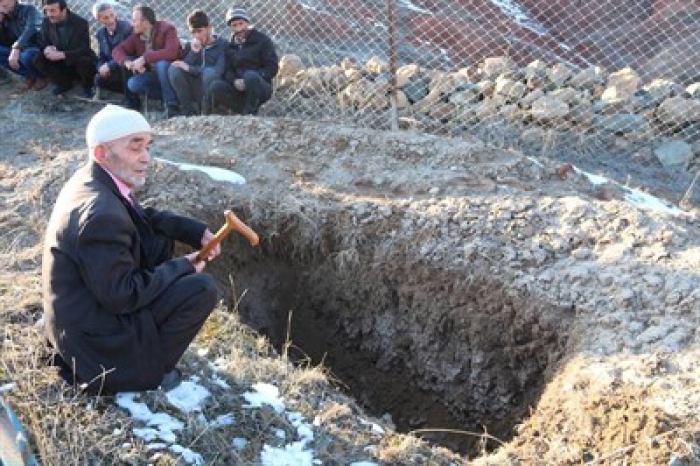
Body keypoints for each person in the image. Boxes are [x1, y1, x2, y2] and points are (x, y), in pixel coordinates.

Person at [42, 104, 220, 394]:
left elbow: (139, 216)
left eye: (148, 147)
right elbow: (123, 296)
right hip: (94, 353)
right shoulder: (100, 215)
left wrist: (193, 230)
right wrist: (182, 267)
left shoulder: (92, 180)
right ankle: (147, 370)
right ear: (101, 153)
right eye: (134, 148)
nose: (146, 158)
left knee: (159, 237)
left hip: (83, 319)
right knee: (200, 289)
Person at [207, 7, 278, 115]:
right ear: (230, 27)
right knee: (215, 87)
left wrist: (252, 78)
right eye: (234, 25)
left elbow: (272, 67)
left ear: (247, 23)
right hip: (238, 88)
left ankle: (250, 114)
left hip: (259, 85)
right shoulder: (230, 46)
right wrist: (234, 81)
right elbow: (227, 70)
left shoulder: (262, 41)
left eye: (241, 24)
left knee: (250, 76)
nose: (239, 28)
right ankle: (209, 117)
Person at [112, 4, 180, 116]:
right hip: (153, 75)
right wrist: (127, 62)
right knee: (133, 84)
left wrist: (144, 58)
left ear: (145, 22)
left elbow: (172, 52)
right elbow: (117, 50)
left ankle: (172, 106)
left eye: (134, 20)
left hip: (172, 74)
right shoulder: (136, 35)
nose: (132, 23)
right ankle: (170, 97)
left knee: (162, 64)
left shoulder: (167, 29)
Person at [168, 9, 226, 116]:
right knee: (174, 69)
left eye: (199, 31)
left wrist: (191, 69)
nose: (197, 36)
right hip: (196, 86)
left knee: (209, 72)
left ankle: (206, 113)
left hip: (214, 88)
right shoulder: (192, 45)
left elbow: (218, 72)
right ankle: (188, 112)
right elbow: (183, 67)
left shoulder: (223, 45)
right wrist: (194, 53)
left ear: (209, 28)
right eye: (193, 32)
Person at [33, 0, 97, 97]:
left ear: (64, 10)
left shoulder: (80, 23)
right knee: (38, 59)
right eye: (47, 10)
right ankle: (64, 83)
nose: (49, 14)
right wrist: (47, 48)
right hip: (59, 61)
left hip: (75, 59)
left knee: (84, 61)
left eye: (53, 10)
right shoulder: (46, 21)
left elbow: (85, 49)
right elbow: (44, 42)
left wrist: (63, 55)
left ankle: (87, 86)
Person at [92, 2, 134, 104]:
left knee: (126, 64)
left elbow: (128, 52)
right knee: (98, 79)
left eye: (112, 15)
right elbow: (102, 54)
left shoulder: (126, 28)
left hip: (126, 65)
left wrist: (109, 66)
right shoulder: (100, 33)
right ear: (99, 20)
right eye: (105, 18)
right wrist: (101, 67)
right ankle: (120, 95)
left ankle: (132, 101)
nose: (111, 20)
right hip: (113, 69)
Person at [0, 0, 47, 90]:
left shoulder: (29, 10)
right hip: (21, 50)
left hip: (37, 47)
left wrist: (17, 47)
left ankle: (42, 76)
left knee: (27, 55)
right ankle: (29, 75)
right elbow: (5, 41)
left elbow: (31, 28)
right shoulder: (6, 17)